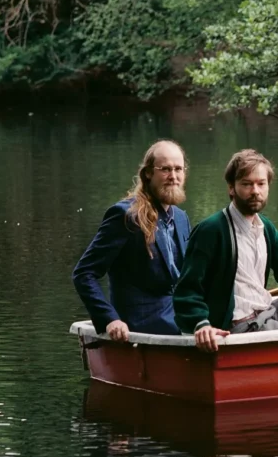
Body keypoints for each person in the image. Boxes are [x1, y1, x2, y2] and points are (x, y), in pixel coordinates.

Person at [174, 149, 278, 352]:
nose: (255, 191)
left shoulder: (265, 227)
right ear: (231, 188)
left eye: (261, 184)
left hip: (267, 312)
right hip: (240, 327)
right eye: (246, 184)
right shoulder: (212, 230)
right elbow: (186, 290)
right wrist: (202, 324)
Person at [72, 140, 190, 341]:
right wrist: (110, 319)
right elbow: (84, 273)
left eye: (178, 169)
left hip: (178, 319)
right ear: (148, 174)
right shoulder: (125, 215)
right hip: (138, 327)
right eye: (165, 169)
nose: (173, 176)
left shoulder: (180, 218)